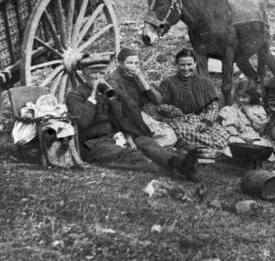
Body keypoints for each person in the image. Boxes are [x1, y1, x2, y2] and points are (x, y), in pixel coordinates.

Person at [65, 63, 199, 181]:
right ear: (84, 74)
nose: (97, 77)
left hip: (115, 135)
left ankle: (178, 163)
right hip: (93, 143)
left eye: (101, 72)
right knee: (129, 155)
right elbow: (83, 121)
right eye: (93, 72)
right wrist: (93, 94)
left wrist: (128, 136)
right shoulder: (75, 95)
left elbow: (122, 117)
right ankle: (168, 171)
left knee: (146, 142)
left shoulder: (108, 91)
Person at [158, 48, 230, 157]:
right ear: (176, 64)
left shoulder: (205, 82)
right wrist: (171, 109)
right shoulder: (168, 83)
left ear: (195, 64)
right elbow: (160, 105)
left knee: (222, 135)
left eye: (189, 64)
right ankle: (204, 150)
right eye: (182, 65)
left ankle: (202, 149)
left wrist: (206, 122)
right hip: (179, 120)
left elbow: (213, 107)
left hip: (200, 119)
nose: (186, 68)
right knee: (183, 132)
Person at [107, 47, 177, 148]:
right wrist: (145, 127)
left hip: (138, 114)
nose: (134, 67)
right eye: (130, 63)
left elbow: (157, 101)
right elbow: (128, 106)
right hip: (123, 118)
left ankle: (144, 144)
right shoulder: (114, 80)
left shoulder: (136, 75)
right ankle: (137, 142)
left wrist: (142, 79)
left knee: (170, 136)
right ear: (121, 63)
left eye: (136, 63)